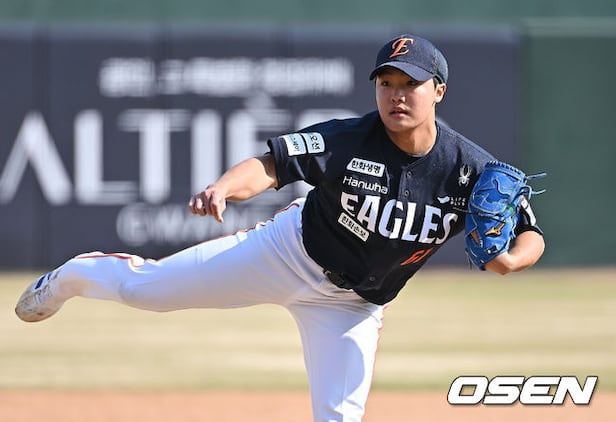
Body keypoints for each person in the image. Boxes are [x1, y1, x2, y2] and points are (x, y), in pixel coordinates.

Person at [15, 34, 545, 421]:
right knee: (145, 290)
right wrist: (224, 188)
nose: (396, 95)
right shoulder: (347, 138)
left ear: (439, 91)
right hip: (287, 253)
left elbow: (530, 233)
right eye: (386, 83)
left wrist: (510, 260)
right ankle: (72, 276)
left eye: (411, 84)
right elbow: (272, 165)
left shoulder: (472, 170)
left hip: (353, 306)